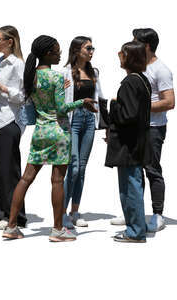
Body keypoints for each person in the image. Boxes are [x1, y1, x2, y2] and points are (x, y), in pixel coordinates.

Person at [1, 35, 97, 242]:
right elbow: (62, 109)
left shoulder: (31, 76)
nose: (60, 54)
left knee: (25, 179)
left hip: (40, 132)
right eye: (57, 51)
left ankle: (11, 226)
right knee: (57, 180)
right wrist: (82, 102)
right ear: (47, 53)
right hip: (59, 131)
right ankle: (57, 229)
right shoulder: (56, 78)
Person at [110, 28, 175, 232]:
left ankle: (157, 214)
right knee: (134, 170)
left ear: (146, 46)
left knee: (152, 169)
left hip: (153, 127)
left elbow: (170, 102)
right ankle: (136, 212)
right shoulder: (138, 67)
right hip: (136, 128)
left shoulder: (161, 69)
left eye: (135, 41)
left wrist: (139, 109)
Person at [105, 41, 152, 243]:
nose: (119, 56)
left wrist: (113, 105)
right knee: (134, 185)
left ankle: (135, 231)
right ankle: (137, 227)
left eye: (122, 53)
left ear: (130, 57)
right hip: (137, 144)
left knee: (130, 187)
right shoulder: (142, 80)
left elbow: (128, 115)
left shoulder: (131, 82)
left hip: (128, 146)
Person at [0, 25, 27, 230]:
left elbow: (22, 96)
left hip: (9, 121)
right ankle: (0, 212)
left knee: (9, 170)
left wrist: (2, 88)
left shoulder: (18, 64)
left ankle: (16, 216)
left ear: (10, 41)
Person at [61, 36, 104, 228]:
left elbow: (100, 98)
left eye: (92, 48)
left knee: (83, 168)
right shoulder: (65, 73)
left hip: (89, 120)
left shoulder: (93, 72)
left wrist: (107, 125)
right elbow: (60, 100)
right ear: (77, 50)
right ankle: (61, 212)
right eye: (88, 48)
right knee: (74, 167)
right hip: (73, 120)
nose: (91, 51)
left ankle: (75, 211)